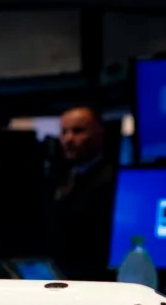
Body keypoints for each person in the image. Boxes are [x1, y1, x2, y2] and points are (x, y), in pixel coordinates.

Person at [44, 106, 116, 281]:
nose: (68, 139)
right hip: (61, 275)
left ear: (99, 133)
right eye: (64, 132)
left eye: (78, 131)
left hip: (97, 279)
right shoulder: (60, 176)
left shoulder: (114, 180)